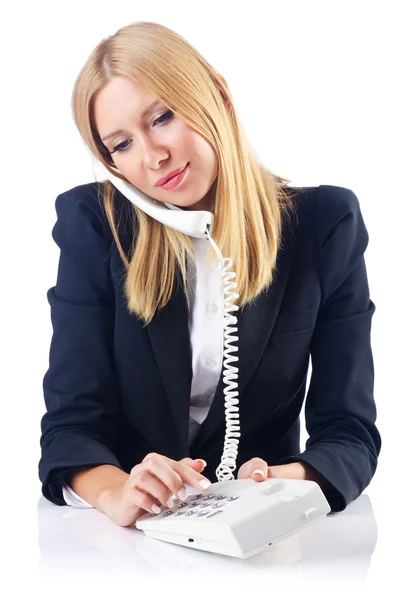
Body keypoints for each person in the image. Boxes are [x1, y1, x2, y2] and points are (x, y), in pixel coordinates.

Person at [38, 21, 381, 528]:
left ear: (216, 94)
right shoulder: (95, 225)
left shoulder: (325, 225)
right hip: (123, 545)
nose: (154, 157)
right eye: (121, 145)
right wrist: (117, 493)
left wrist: (282, 483)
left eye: (162, 117)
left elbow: (350, 433)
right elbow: (71, 425)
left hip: (265, 535)